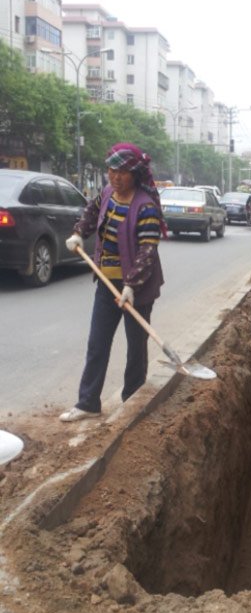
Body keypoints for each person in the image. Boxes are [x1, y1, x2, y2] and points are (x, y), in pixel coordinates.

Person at [59, 142, 164, 422]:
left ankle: (132, 403)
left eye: (122, 173)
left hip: (137, 289)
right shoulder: (107, 194)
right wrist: (79, 233)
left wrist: (131, 286)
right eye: (111, 171)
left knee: (136, 349)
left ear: (135, 175)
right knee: (97, 344)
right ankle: (88, 403)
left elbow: (148, 250)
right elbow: (92, 213)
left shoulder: (146, 207)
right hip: (107, 285)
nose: (115, 177)